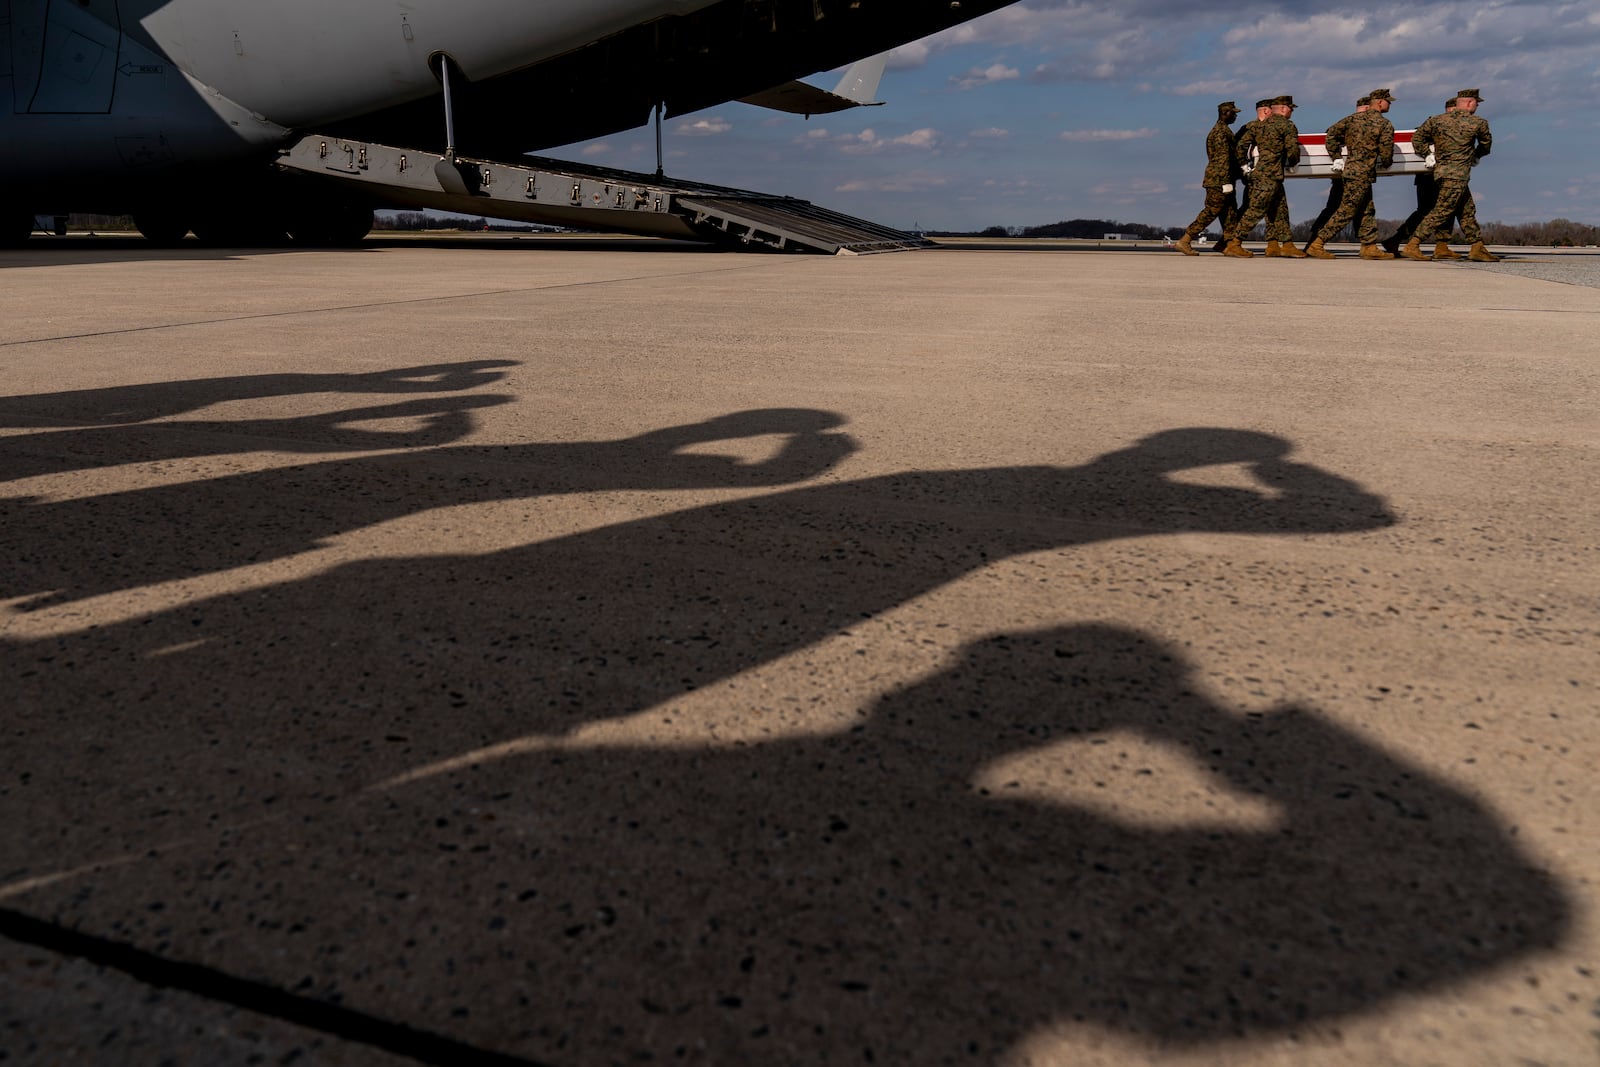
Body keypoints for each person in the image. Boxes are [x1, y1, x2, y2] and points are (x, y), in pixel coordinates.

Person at [1402, 89, 1497, 262]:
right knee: (1442, 210)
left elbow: (1417, 138)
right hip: (1458, 174)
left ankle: (1477, 246)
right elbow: (1486, 146)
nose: (1477, 106)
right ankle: (1413, 244)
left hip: (1441, 173)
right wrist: (1475, 155)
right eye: (1476, 102)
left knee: (1466, 210)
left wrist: (1427, 154)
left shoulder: (1437, 120)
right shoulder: (1478, 123)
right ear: (1469, 103)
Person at [1305, 88, 1395, 259]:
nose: (1389, 104)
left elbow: (1330, 134)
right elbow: (1386, 152)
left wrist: (1336, 156)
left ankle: (1369, 246)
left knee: (1367, 209)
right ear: (1380, 102)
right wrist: (1387, 164)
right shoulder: (1384, 124)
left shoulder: (1352, 119)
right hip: (1363, 172)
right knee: (1347, 210)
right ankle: (1318, 243)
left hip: (1352, 170)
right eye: (1388, 101)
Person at [1229, 98, 1305, 257]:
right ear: (1284, 109)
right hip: (1270, 175)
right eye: (1291, 109)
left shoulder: (1259, 126)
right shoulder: (1287, 126)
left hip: (1262, 173)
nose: (1292, 112)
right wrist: (1293, 164)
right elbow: (1292, 150)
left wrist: (1245, 166)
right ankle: (1234, 243)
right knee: (1255, 210)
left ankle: (1286, 244)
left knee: (1280, 210)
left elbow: (1241, 146)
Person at [1382, 97, 1455, 256]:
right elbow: (1418, 137)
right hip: (1429, 176)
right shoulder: (1436, 123)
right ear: (1452, 109)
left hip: (1441, 175)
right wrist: (1428, 154)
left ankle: (1441, 245)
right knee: (1428, 211)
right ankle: (1399, 240)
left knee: (1443, 210)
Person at [1176, 101, 1243, 255]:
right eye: (1234, 113)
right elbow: (1222, 160)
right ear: (1225, 113)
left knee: (1230, 212)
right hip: (1219, 180)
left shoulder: (1223, 130)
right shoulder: (1220, 133)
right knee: (1212, 210)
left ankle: (1228, 245)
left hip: (1223, 178)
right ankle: (1185, 240)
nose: (1236, 116)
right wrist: (1226, 182)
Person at [1310, 95, 1369, 240]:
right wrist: (1336, 158)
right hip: (1351, 174)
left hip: (1353, 173)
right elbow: (1330, 137)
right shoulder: (1354, 123)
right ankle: (1316, 240)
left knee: (1357, 207)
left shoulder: (1348, 122)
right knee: (1346, 207)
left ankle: (1367, 243)